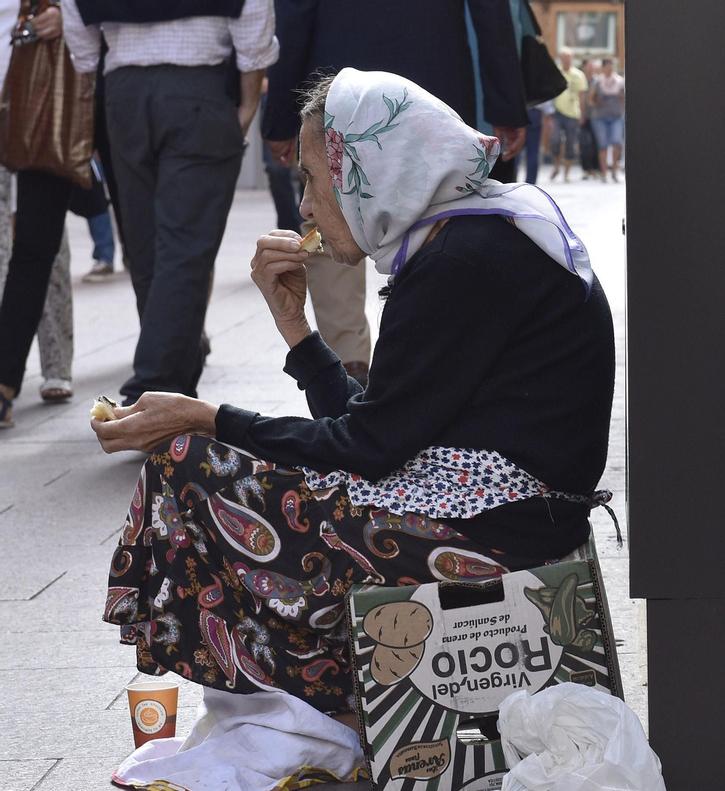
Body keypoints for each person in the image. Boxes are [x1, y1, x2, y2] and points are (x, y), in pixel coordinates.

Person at [91, 69, 615, 715]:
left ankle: (297, 706)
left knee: (186, 466)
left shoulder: (461, 259)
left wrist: (206, 417)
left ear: (373, 168)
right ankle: (306, 698)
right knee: (221, 461)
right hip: (493, 506)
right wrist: (295, 328)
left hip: (492, 535)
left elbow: (367, 446)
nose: (305, 206)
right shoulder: (478, 229)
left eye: (314, 178)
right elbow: (378, 429)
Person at [265, 0, 529, 383]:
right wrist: (506, 102)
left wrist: (278, 119)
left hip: (336, 82)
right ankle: (434, 363)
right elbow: (491, 11)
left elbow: (293, 17)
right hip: (432, 79)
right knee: (437, 218)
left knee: (330, 214)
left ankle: (348, 365)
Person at [59, 0, 278, 406]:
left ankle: (171, 383)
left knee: (145, 245)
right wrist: (247, 104)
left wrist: (93, 86)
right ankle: (153, 386)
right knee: (185, 247)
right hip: (199, 87)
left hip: (123, 91)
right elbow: (254, 18)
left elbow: (79, 30)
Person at [0, 0, 78, 425]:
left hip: (40, 106)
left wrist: (73, 19)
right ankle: (6, 379)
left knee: (40, 244)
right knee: (27, 249)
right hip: (24, 104)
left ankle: (55, 366)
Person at [550, 49, 587, 182]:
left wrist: (582, 114)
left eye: (569, 57)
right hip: (556, 112)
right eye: (564, 57)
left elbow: (582, 96)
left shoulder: (578, 75)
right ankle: (556, 166)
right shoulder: (555, 72)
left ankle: (566, 173)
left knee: (570, 142)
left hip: (572, 112)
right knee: (555, 140)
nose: (566, 59)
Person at [590, 58, 624, 183]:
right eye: (607, 65)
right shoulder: (597, 82)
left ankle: (614, 170)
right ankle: (604, 172)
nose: (610, 68)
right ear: (603, 67)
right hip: (600, 117)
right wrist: (597, 103)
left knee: (616, 142)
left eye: (611, 65)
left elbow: (623, 98)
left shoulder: (620, 82)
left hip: (616, 117)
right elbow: (591, 100)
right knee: (603, 145)